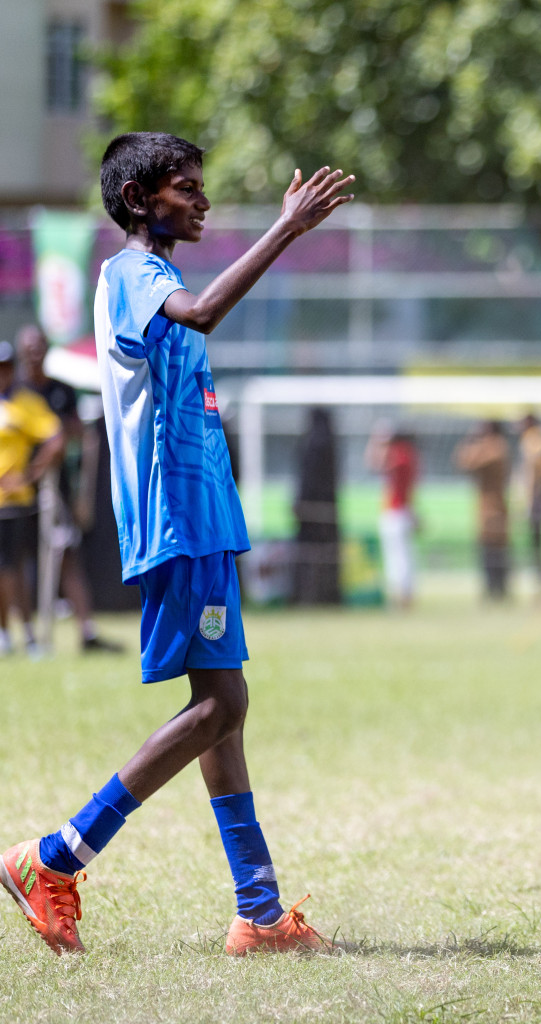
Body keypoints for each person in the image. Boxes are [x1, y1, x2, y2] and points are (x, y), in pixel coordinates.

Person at [1, 132, 352, 956]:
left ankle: (260, 913)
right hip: (174, 519)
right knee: (220, 706)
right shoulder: (132, 274)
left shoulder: (156, 275)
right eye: (184, 188)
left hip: (203, 517)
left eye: (201, 186)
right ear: (137, 201)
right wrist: (286, 229)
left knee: (223, 718)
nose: (200, 200)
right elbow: (198, 313)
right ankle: (51, 858)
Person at [16, 325, 126, 652]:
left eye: (39, 347)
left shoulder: (61, 391)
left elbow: (74, 436)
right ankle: (25, 635)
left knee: (66, 556)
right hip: (18, 489)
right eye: (29, 347)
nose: (34, 353)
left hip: (55, 488)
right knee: (15, 560)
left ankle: (85, 630)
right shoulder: (15, 392)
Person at [0, 340, 65, 659]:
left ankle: (25, 633)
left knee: (11, 568)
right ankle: (5, 635)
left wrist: (30, 475)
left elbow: (55, 438)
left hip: (13, 501)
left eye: (6, 367)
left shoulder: (25, 402)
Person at [454, 419, 512, 601]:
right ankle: (493, 590)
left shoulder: (496, 447)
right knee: (488, 552)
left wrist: (470, 442)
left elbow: (466, 462)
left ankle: (498, 591)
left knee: (495, 552)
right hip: (487, 507)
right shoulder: (494, 447)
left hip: (494, 508)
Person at [292, 407, 341, 606]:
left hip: (310, 509)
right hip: (327, 508)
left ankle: (309, 594)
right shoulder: (331, 444)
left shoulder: (311, 444)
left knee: (310, 552)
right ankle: (324, 594)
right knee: (325, 553)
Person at [367, 424, 419, 609]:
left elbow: (375, 465)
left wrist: (376, 441)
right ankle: (402, 596)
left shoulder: (400, 454)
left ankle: (402, 597)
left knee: (398, 558)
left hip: (396, 511)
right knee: (402, 557)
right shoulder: (410, 454)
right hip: (402, 510)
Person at [517, 414, 541, 583]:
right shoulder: (533, 438)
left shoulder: (534, 439)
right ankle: (540, 572)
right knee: (535, 541)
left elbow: (533, 474)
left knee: (537, 541)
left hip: (536, 499)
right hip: (535, 497)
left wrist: (529, 500)